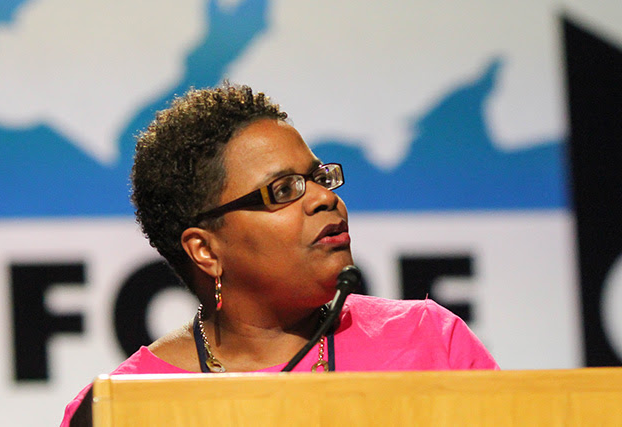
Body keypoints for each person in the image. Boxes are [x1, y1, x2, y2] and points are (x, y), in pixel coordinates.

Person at [60, 83, 498, 425]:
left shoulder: (429, 342)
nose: (323, 199)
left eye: (319, 177)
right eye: (283, 190)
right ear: (205, 249)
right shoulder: (118, 407)